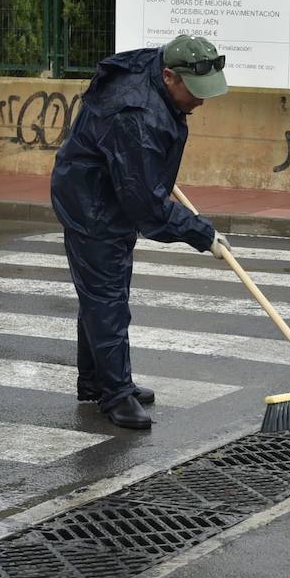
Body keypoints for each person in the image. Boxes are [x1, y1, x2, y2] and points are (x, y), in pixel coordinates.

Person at [50, 35, 230, 429]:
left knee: (101, 297)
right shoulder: (137, 116)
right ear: (169, 76)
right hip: (93, 206)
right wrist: (202, 234)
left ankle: (97, 381)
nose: (201, 101)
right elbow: (147, 207)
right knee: (108, 300)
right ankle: (114, 394)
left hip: (105, 191)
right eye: (195, 92)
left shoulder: (153, 73)